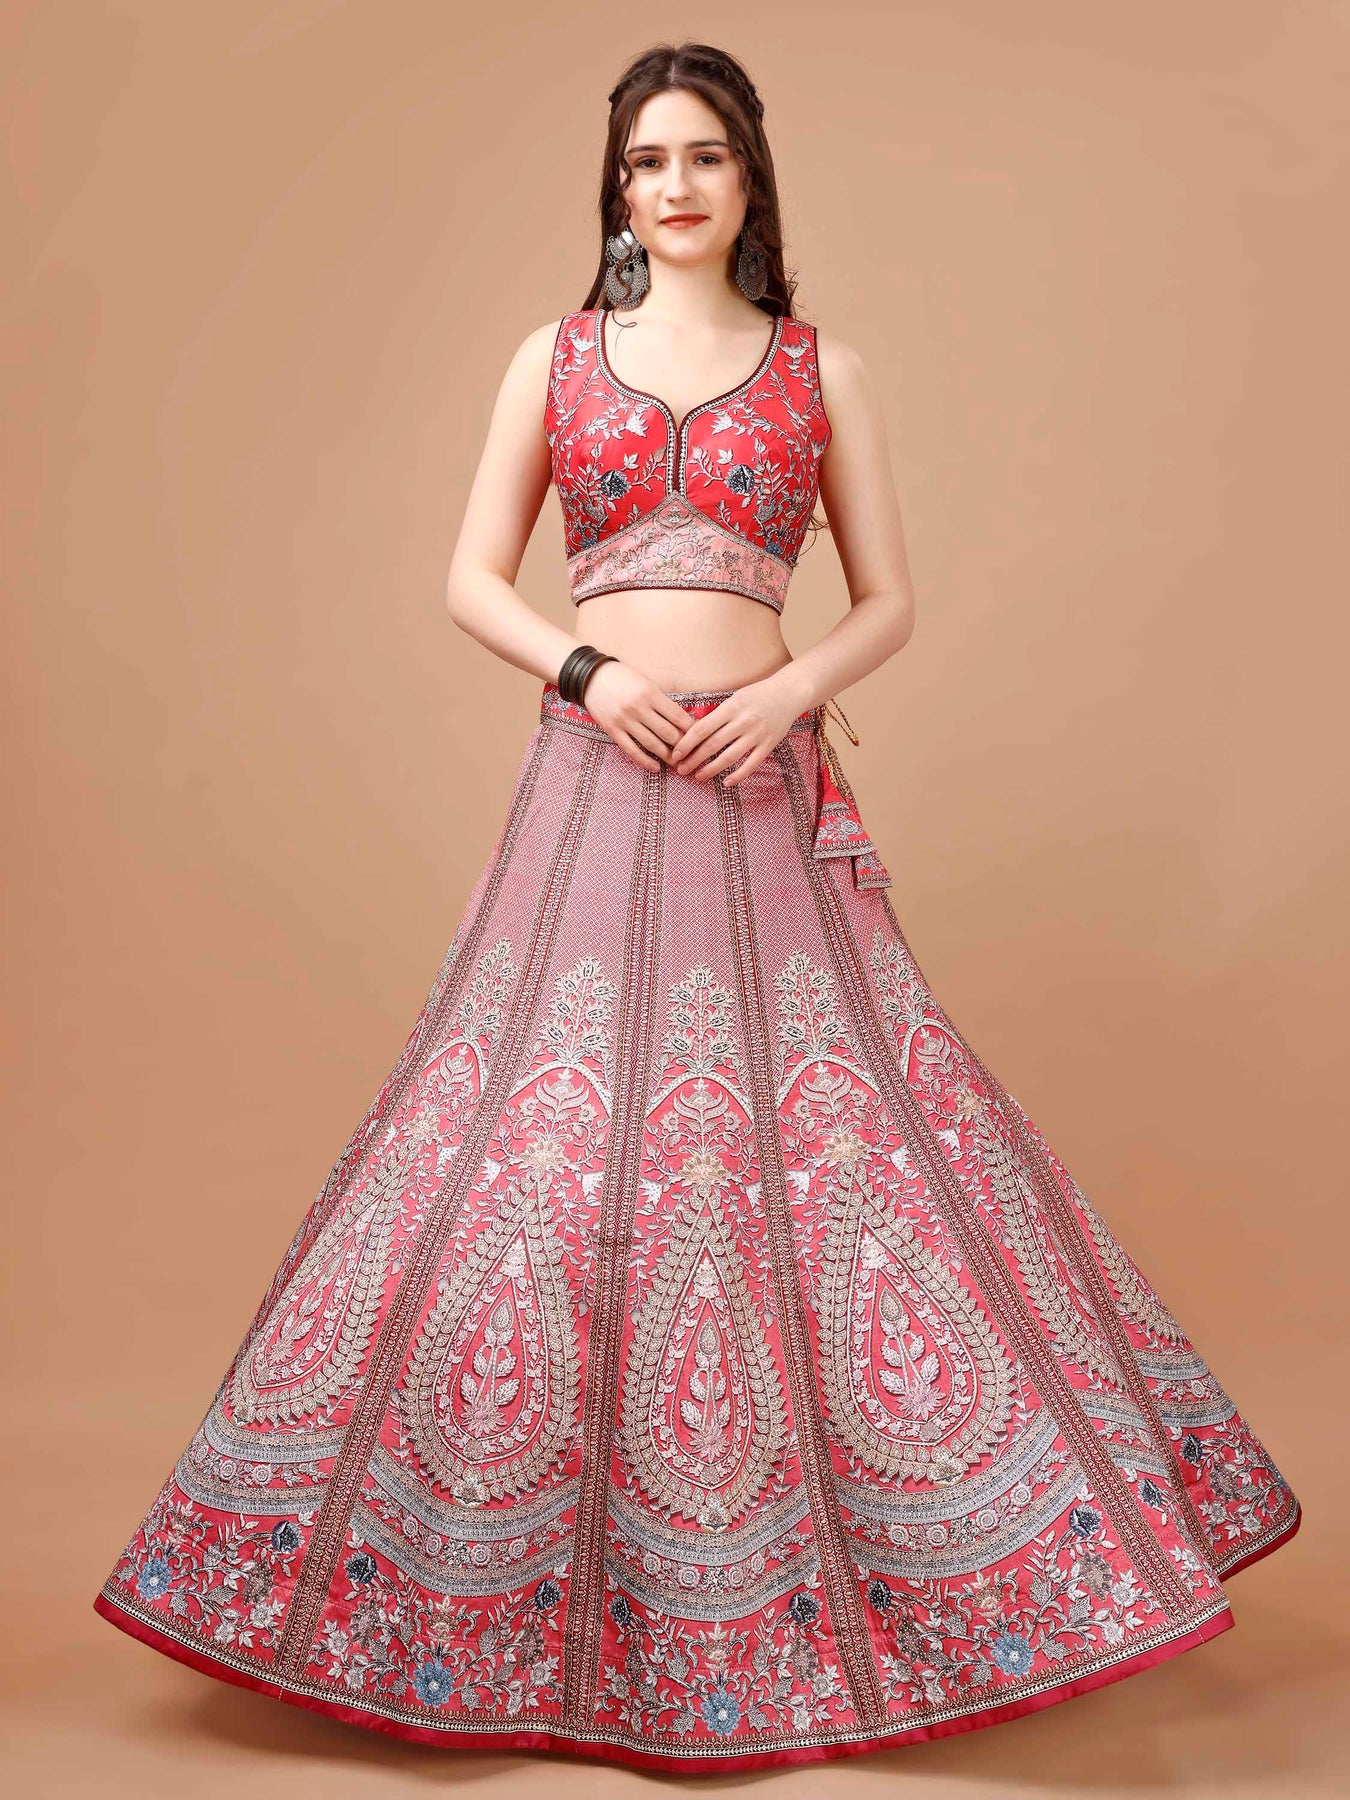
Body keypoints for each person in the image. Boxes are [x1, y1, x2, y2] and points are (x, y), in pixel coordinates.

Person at [93, 40, 1300, 1774]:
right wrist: (589, 675)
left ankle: (918, 1569)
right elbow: (468, 577)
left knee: (835, 1145)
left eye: (703, 157)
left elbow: (886, 599)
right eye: (646, 160)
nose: (673, 186)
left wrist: (786, 694)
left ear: (749, 180)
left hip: (756, 789)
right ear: (615, 187)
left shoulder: (819, 369)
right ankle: (474, 1600)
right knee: (533, 1141)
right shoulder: (551, 358)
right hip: (590, 787)